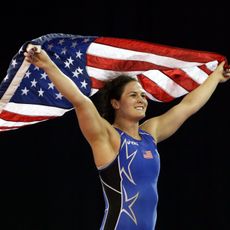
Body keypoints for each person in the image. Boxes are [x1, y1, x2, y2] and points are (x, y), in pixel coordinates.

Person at [24, 45, 230, 230]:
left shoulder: (151, 134)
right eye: (133, 95)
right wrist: (47, 65)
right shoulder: (108, 137)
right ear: (116, 103)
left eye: (143, 95)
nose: (141, 99)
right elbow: (81, 101)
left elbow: (188, 106)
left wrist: (216, 77)